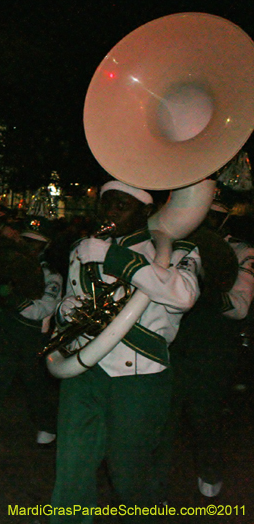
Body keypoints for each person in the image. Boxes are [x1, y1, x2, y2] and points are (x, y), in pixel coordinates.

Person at [50, 181, 201, 522]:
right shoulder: (82, 247)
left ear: (146, 210)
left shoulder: (178, 250)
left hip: (139, 378)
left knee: (129, 475)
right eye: (107, 203)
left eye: (123, 205)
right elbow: (68, 297)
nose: (111, 212)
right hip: (81, 372)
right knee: (71, 471)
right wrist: (65, 311)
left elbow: (183, 296)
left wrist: (114, 258)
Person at [152, 198, 254, 500]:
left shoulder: (242, 251)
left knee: (204, 415)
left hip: (211, 349)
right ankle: (153, 483)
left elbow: (238, 308)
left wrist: (207, 287)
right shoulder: (177, 245)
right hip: (173, 342)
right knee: (163, 416)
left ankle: (209, 471)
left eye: (212, 216)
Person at [0, 216, 62, 453]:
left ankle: (47, 426)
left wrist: (12, 299)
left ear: (46, 245)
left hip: (33, 338)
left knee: (35, 386)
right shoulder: (9, 263)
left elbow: (43, 309)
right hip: (9, 333)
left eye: (37, 243)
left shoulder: (52, 275)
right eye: (27, 240)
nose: (31, 247)